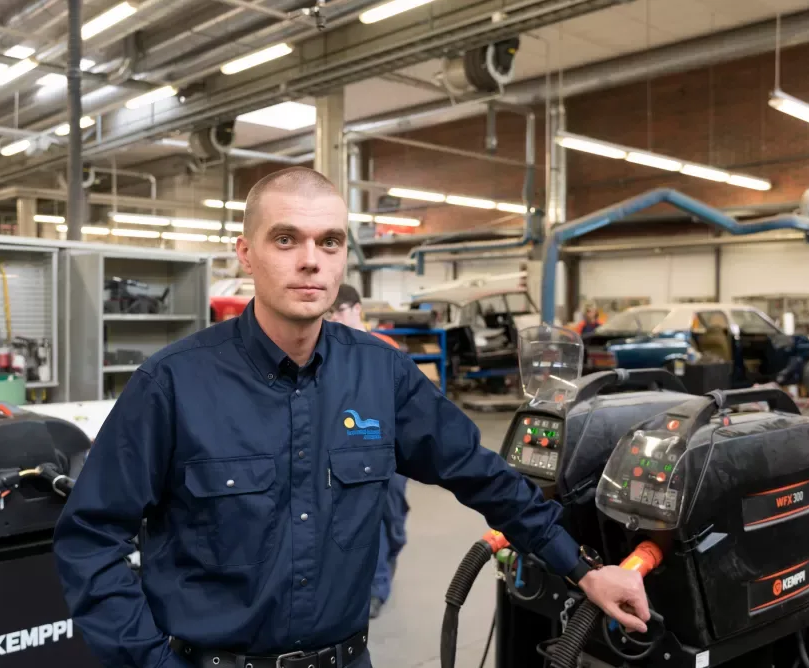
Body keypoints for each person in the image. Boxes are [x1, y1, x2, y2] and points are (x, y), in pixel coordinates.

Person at [52, 166, 650, 668]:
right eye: (286, 239)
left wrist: (584, 570)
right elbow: (90, 539)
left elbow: (483, 476)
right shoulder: (172, 385)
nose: (311, 261)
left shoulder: (381, 376)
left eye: (329, 241)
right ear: (246, 254)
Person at [325, 284, 408, 619]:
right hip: (348, 453)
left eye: (341, 310)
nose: (335, 317)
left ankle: (385, 566)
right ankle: (375, 587)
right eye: (330, 312)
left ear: (357, 308)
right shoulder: (327, 350)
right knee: (364, 520)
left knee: (393, 522)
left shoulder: (385, 349)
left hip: (390, 449)